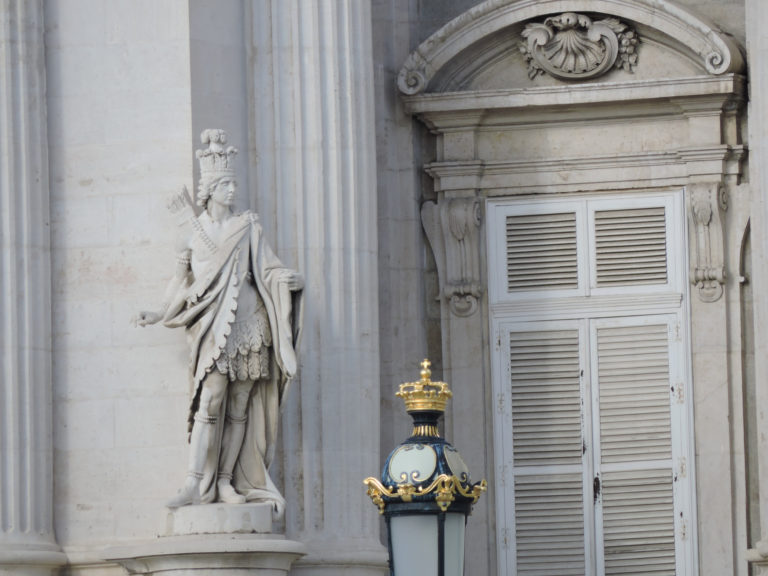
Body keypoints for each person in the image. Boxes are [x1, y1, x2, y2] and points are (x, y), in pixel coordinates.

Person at [136, 129, 303, 514]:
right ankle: (195, 483)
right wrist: (160, 312)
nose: (232, 190)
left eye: (234, 184)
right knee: (209, 402)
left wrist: (291, 281)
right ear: (209, 189)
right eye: (225, 184)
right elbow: (180, 282)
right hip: (211, 328)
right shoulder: (190, 236)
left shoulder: (248, 226)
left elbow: (269, 269)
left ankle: (227, 481)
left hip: (250, 326)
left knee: (240, 407)